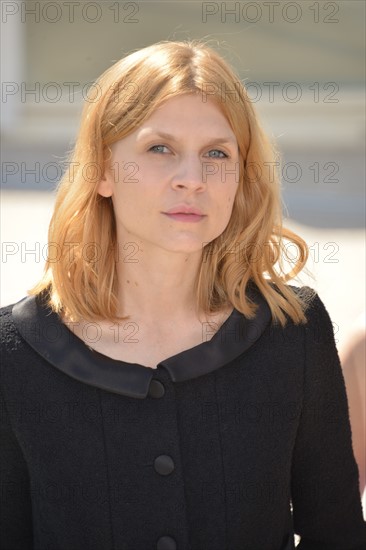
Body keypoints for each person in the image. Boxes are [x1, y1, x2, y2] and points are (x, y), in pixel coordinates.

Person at [0, 40, 365, 550]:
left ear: (240, 175)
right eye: (160, 148)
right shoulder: (15, 352)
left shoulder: (293, 331)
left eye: (216, 153)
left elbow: (338, 535)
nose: (191, 180)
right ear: (103, 170)